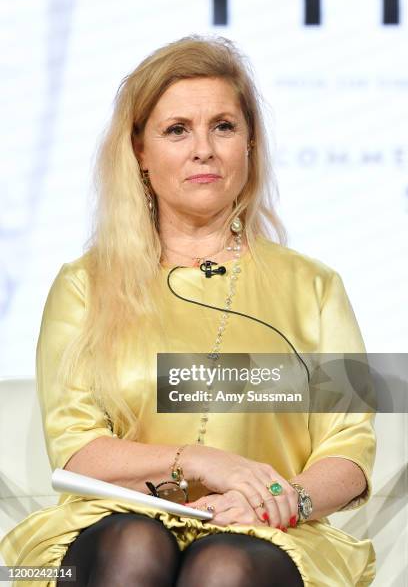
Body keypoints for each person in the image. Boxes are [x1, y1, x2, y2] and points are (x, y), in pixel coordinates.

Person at [0, 35, 376, 586]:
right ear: (140, 152)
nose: (204, 148)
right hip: (116, 523)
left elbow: (350, 450)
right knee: (134, 545)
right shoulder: (83, 284)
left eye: (223, 126)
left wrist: (283, 501)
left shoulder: (317, 286)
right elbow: (77, 450)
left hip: (271, 533)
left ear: (249, 144)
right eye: (177, 130)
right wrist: (197, 460)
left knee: (224, 565)